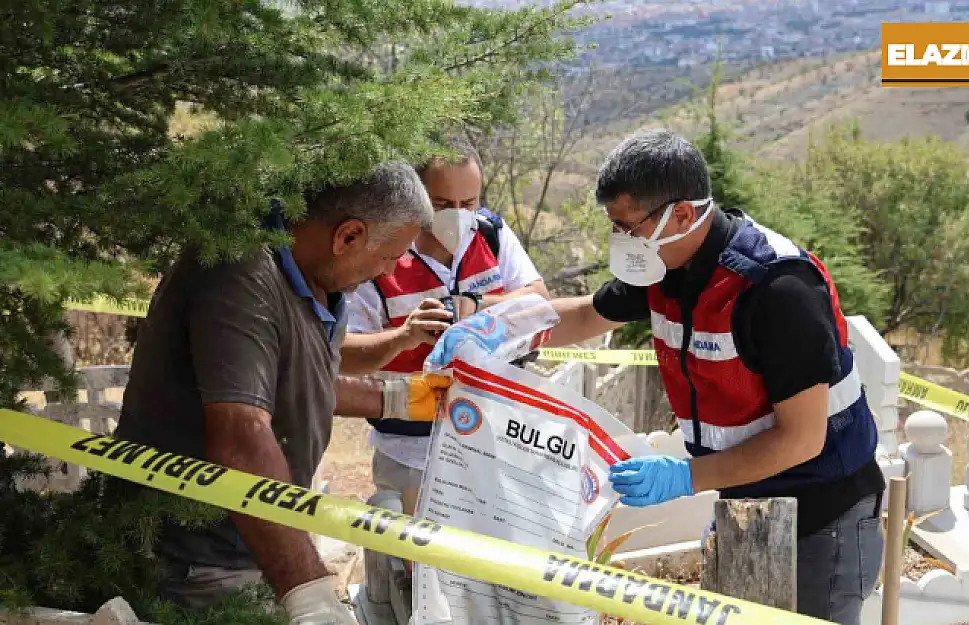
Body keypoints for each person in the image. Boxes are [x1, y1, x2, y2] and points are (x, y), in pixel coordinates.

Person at [432, 128, 885, 625]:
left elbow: (800, 439)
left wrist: (685, 477)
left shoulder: (776, 290)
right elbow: (587, 315)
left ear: (683, 213)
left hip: (824, 514)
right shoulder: (664, 263)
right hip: (746, 497)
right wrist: (499, 330)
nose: (622, 241)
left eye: (628, 227)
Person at [113, 162, 452, 624]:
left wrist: (399, 400)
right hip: (197, 559)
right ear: (348, 236)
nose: (386, 272)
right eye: (388, 256)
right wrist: (310, 594)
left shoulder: (319, 277)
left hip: (253, 540)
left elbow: (298, 381)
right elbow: (241, 435)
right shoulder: (240, 274)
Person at [342, 137, 549, 518]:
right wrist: (403, 337)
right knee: (415, 571)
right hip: (411, 451)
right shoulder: (383, 256)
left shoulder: (490, 234)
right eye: (441, 205)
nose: (457, 215)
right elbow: (342, 351)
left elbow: (537, 301)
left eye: (468, 204)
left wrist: (473, 306)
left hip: (493, 438)